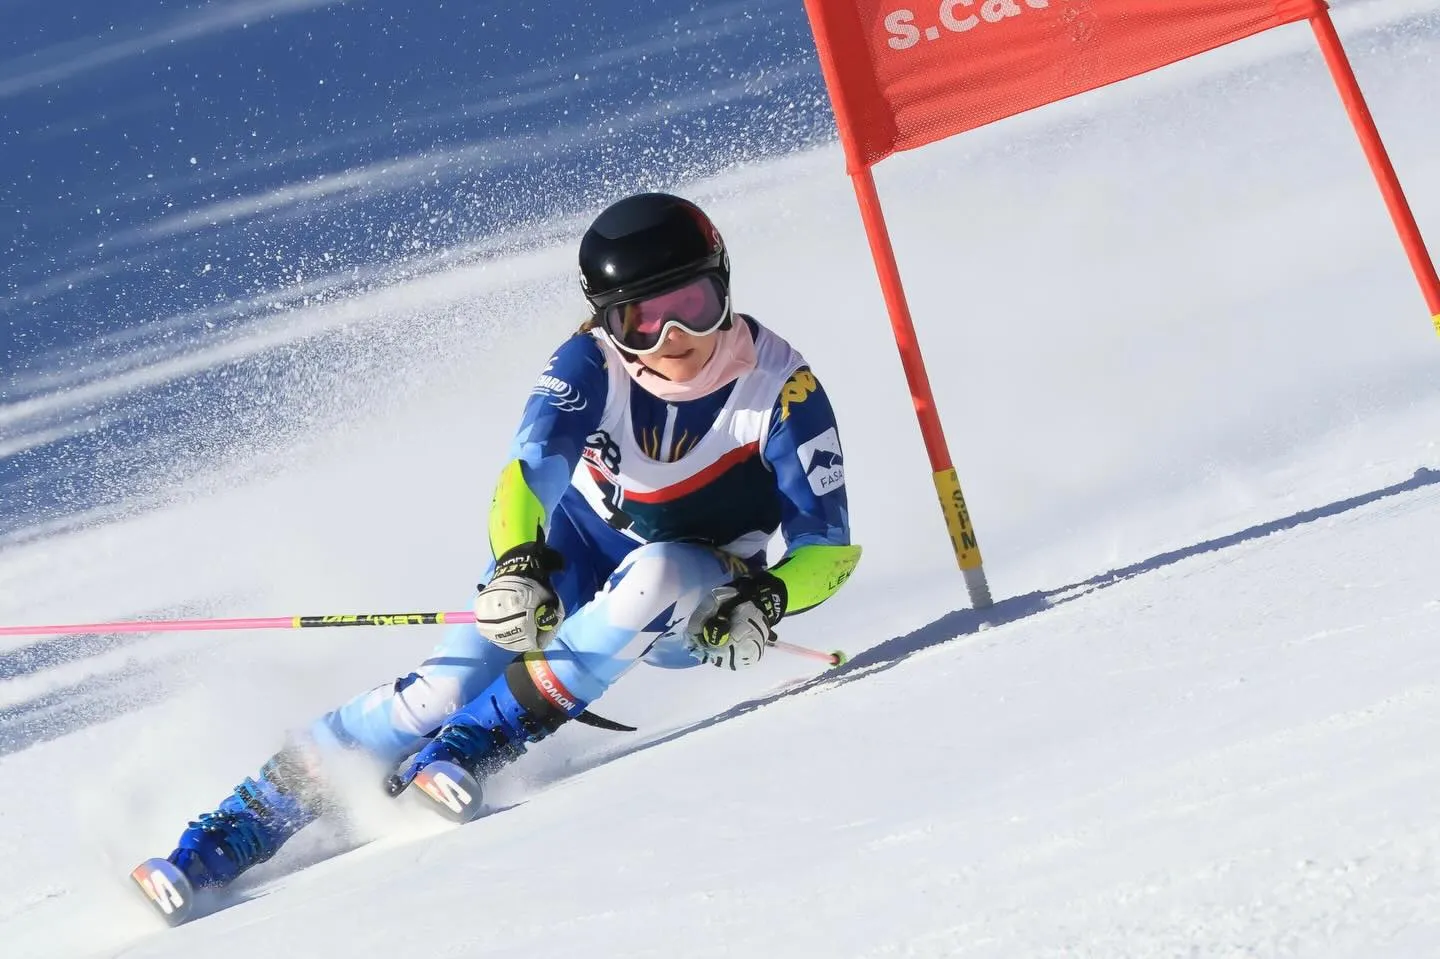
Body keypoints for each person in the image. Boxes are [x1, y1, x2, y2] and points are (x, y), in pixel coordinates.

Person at [151, 191, 861, 892]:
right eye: (641, 320)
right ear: (607, 321)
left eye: (694, 305)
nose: (673, 338)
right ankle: (225, 834)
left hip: (701, 602)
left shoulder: (780, 389)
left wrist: (765, 597)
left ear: (725, 284)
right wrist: (518, 565)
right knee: (440, 689)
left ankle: (473, 744)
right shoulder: (589, 364)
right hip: (576, 560)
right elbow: (526, 478)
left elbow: (828, 547)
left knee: (661, 570)